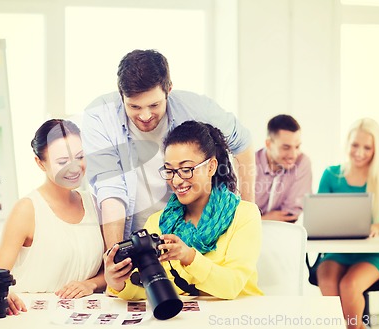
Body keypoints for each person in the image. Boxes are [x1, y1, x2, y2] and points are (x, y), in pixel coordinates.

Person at [82, 49, 255, 250]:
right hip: (134, 232)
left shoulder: (197, 109)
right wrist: (116, 254)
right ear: (121, 96)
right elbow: (110, 190)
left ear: (169, 90)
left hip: (194, 231)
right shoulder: (100, 116)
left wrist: (248, 213)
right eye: (134, 107)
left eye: (154, 105)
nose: (145, 116)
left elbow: (243, 144)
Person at [103, 121, 262, 299]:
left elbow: (232, 286)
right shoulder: (157, 222)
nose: (177, 181)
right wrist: (118, 283)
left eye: (186, 170)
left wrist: (190, 257)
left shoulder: (245, 215)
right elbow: (153, 289)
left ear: (211, 167)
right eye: (170, 170)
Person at [0, 119, 106, 315]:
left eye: (79, 157)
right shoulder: (27, 210)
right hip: (30, 316)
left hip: (83, 317)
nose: (74, 167)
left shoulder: (94, 203)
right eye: (62, 162)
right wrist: (1, 292)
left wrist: (90, 285)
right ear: (40, 163)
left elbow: (110, 271)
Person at [315, 118, 379, 329]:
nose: (359, 152)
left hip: (372, 255)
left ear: (376, 149)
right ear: (347, 144)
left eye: (367, 147)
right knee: (328, 283)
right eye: (355, 145)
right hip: (336, 253)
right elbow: (320, 218)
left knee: (350, 286)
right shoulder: (331, 175)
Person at [255, 114, 312, 222]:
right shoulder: (248, 164)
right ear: (268, 144)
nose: (293, 155)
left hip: (284, 232)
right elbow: (238, 217)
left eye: (297, 147)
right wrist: (265, 219)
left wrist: (257, 220)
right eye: (286, 147)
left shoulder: (302, 162)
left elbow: (290, 215)